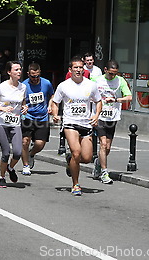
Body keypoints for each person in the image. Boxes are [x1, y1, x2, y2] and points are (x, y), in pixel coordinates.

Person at [51, 56, 102, 196]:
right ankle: (76, 184)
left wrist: (96, 115)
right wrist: (55, 115)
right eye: (76, 68)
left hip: (86, 123)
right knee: (76, 152)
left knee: (86, 158)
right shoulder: (63, 85)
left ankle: (70, 161)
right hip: (70, 123)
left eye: (81, 67)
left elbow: (98, 101)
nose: (79, 70)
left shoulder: (91, 85)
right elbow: (55, 102)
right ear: (70, 70)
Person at [0, 61, 28, 187]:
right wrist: (2, 109)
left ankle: (10, 168)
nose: (19, 72)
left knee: (17, 152)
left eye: (20, 69)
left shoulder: (23, 87)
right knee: (6, 152)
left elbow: (23, 102)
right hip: (1, 123)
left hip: (15, 123)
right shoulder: (1, 87)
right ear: (9, 72)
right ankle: (2, 177)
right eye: (16, 70)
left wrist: (25, 107)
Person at [92, 60, 132, 184]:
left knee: (107, 147)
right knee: (103, 144)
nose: (112, 76)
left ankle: (99, 163)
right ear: (105, 70)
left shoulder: (120, 80)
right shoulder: (96, 80)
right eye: (110, 73)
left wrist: (116, 99)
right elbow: (88, 94)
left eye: (115, 74)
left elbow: (129, 97)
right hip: (99, 116)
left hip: (112, 116)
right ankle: (104, 173)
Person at [20, 62, 54, 176]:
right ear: (28, 74)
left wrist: (50, 105)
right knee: (25, 141)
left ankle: (31, 154)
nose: (35, 79)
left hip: (42, 117)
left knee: (40, 143)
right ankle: (25, 165)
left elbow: (52, 96)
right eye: (32, 76)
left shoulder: (46, 83)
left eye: (37, 76)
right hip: (28, 116)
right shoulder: (23, 85)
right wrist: (23, 108)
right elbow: (20, 100)